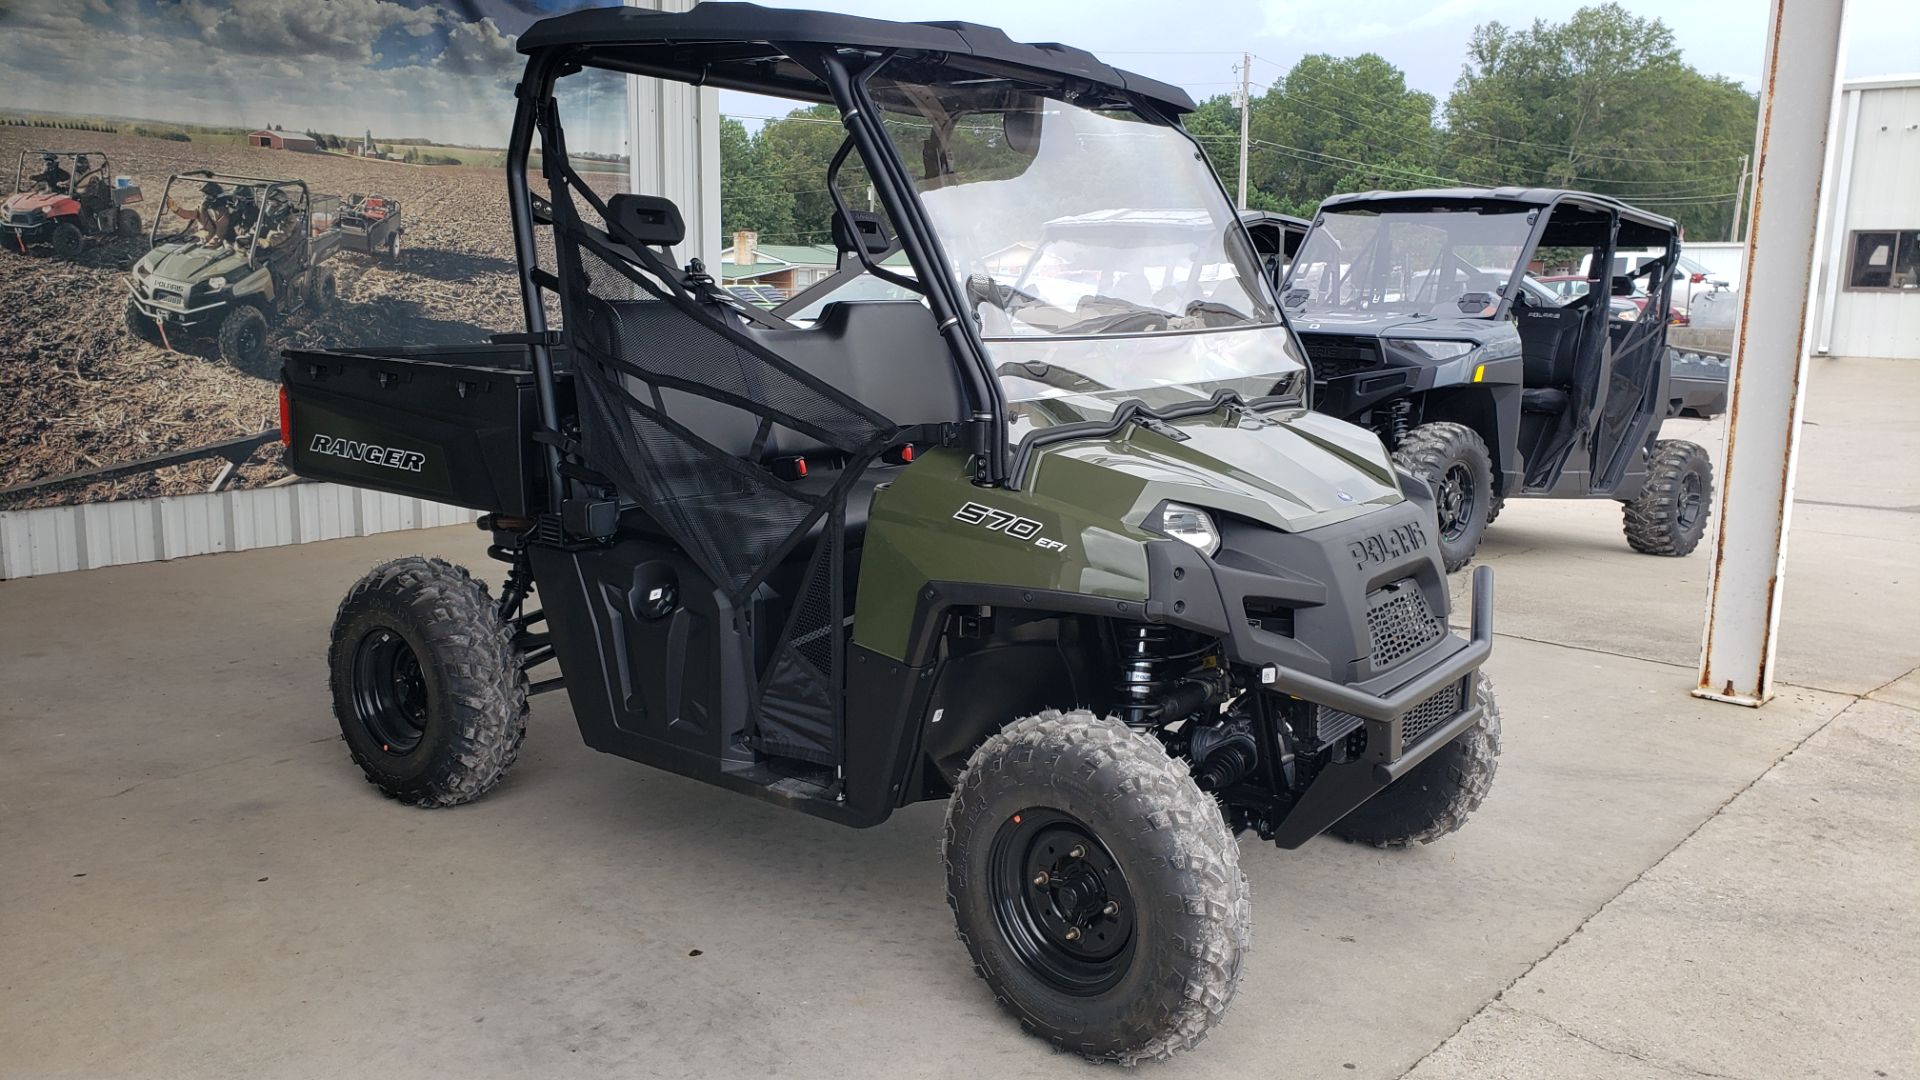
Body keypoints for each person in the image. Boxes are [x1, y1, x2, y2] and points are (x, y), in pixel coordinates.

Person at [163, 180, 234, 247]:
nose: (205, 198)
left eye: (208, 196)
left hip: (219, 247)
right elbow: (190, 214)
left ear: (216, 197)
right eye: (204, 195)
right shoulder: (203, 208)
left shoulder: (223, 213)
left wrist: (206, 247)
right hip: (204, 241)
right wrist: (176, 209)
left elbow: (219, 236)